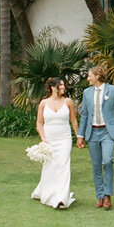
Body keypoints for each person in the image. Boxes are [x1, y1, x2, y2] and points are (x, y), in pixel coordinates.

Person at [76, 66, 114, 210]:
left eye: (89, 76)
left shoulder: (113, 90)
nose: (88, 79)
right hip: (92, 133)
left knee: (107, 161)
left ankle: (108, 195)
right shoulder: (87, 93)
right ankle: (99, 196)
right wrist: (80, 136)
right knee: (96, 165)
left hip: (107, 132)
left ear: (98, 76)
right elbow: (85, 115)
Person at [31, 78, 78, 209]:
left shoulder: (68, 102)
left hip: (65, 139)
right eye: (61, 85)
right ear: (53, 87)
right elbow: (39, 123)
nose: (63, 87)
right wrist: (43, 139)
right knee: (50, 166)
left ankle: (62, 198)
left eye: (63, 85)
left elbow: (74, 121)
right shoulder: (43, 103)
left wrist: (79, 137)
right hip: (49, 139)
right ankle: (48, 193)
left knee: (63, 165)